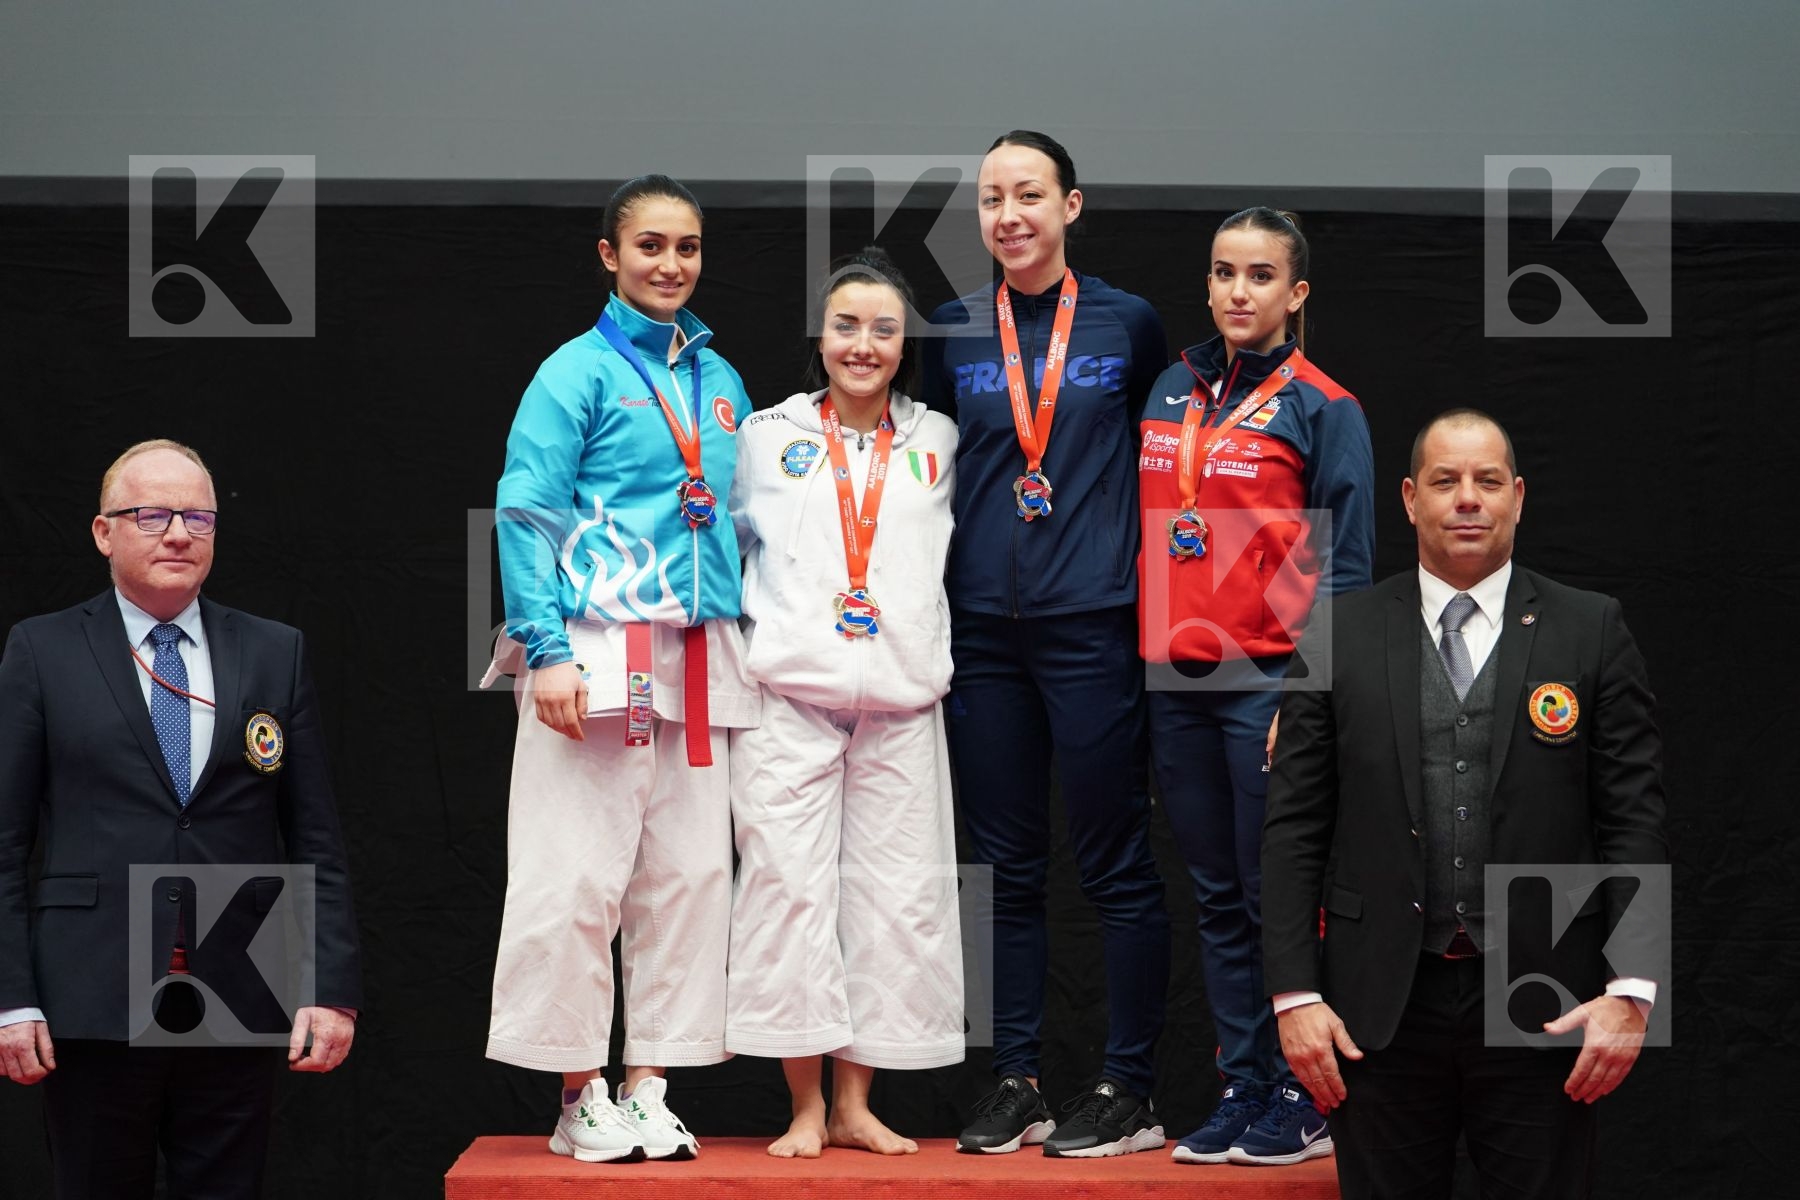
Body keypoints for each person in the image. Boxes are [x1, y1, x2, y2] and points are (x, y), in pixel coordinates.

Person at [1262, 409, 1668, 1198]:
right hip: (1374, 1008)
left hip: (1546, 1001)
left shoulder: (1591, 628)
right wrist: (1294, 995)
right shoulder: (1335, 632)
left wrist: (1634, 989)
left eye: (1488, 481)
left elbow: (1635, 820)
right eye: (1445, 481)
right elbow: (1293, 829)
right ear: (1410, 499)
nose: (1468, 499)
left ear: (1518, 496)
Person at [0, 439, 362, 1199]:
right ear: (104, 532)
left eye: (198, 517)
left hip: (237, 982)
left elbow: (316, 840)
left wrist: (328, 987)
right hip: (91, 991)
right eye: (152, 515)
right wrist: (11, 997)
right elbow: (5, 841)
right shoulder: (42, 649)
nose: (178, 534)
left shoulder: (274, 651)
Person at [484, 174, 757, 1163]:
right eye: (650, 245)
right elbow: (526, 514)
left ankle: (649, 1086)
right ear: (610, 255)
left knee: (689, 880)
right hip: (598, 652)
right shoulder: (574, 373)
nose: (670, 264)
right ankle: (576, 1094)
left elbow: (743, 526)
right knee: (575, 878)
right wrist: (547, 650)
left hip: (699, 657)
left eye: (686, 247)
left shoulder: (722, 383)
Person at [920, 129, 1172, 1158]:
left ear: (1071, 206)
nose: (1008, 215)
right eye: (991, 198)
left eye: (1028, 194)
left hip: (1093, 626)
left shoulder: (1128, 323)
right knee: (1003, 868)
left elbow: (1158, 455)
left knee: (1115, 864)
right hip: (982, 634)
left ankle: (1130, 1087)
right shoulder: (951, 330)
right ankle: (1016, 1078)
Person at [1136, 207, 1374, 1166]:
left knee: (1275, 891)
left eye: (1261, 275)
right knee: (1215, 894)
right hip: (1175, 675)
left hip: (1267, 681)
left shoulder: (1325, 405)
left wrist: (1304, 697)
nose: (1240, 291)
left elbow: (1347, 568)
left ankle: (1306, 1094)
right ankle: (1245, 1081)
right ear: (1206, 284)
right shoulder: (1171, 388)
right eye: (1224, 272)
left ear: (1296, 292)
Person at [725, 247, 962, 1158]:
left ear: (905, 345)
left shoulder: (939, 440)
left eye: (884, 330)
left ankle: (856, 1104)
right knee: (789, 893)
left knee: (892, 901)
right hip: (790, 699)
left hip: (899, 704)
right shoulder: (763, 436)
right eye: (846, 326)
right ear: (820, 337)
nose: (864, 345)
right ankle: (804, 1107)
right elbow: (723, 546)